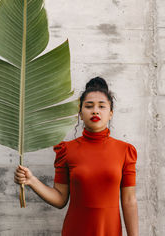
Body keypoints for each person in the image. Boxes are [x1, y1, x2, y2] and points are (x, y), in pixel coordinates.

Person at [14, 76, 139, 236]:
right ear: (80, 113)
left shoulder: (125, 151)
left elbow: (129, 201)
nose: (95, 110)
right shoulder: (66, 150)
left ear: (111, 114)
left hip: (110, 231)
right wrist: (31, 181)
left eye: (102, 106)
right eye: (89, 106)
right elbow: (60, 200)